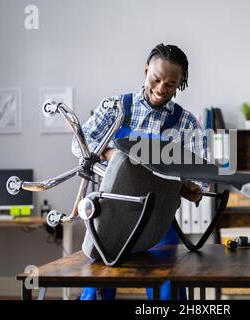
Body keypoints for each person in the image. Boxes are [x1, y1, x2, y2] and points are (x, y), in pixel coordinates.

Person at [71, 43, 207, 300]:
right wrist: (114, 156)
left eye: (170, 84)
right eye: (156, 79)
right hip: (111, 214)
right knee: (100, 282)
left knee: (167, 286)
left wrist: (191, 186)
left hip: (159, 218)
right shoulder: (115, 108)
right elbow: (80, 144)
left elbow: (201, 174)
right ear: (145, 70)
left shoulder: (185, 122)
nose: (160, 89)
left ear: (180, 84)